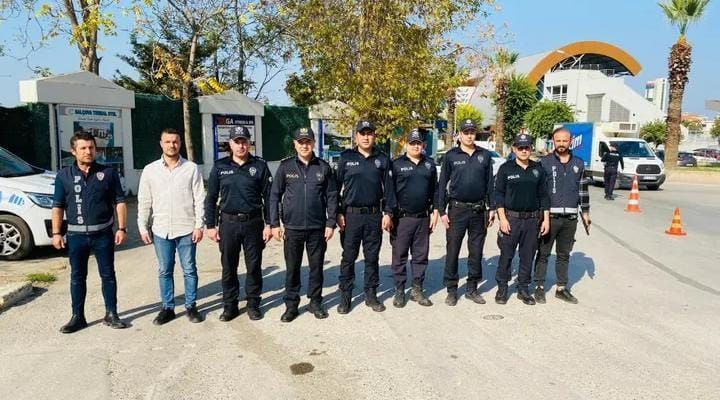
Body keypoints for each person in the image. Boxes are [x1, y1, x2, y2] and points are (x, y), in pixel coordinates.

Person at [51, 132, 128, 333]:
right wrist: (56, 233)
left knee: (108, 275)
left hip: (103, 234)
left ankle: (111, 314)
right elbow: (57, 206)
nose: (88, 151)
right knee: (77, 277)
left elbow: (119, 201)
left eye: (91, 147)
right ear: (73, 151)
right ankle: (78, 317)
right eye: (83, 148)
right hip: (76, 237)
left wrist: (121, 228)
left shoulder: (108, 173)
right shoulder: (64, 176)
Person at [137, 128, 206, 325]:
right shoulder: (150, 170)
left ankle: (191, 306)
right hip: (161, 230)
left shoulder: (191, 168)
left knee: (189, 269)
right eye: (167, 142)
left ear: (180, 143)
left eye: (175, 141)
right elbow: (144, 201)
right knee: (164, 270)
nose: (171, 145)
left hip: (187, 228)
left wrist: (199, 225)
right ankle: (167, 307)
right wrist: (143, 227)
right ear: (161, 144)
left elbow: (199, 198)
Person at [269, 127, 338, 322]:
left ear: (313, 143)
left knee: (316, 268)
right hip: (293, 228)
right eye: (301, 142)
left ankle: (315, 302)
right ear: (295, 144)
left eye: (308, 142)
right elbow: (274, 196)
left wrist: (331, 222)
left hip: (317, 228)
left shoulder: (323, 167)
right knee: (292, 269)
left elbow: (332, 196)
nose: (304, 145)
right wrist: (274, 223)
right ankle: (291, 305)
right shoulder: (286, 167)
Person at [204, 126, 273, 321]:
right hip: (228, 224)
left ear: (249, 143)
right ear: (230, 143)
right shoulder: (220, 166)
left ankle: (253, 304)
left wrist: (269, 224)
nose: (241, 145)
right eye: (237, 141)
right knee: (228, 267)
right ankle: (230, 306)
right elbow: (211, 198)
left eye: (244, 141)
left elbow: (269, 197)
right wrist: (210, 225)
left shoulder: (259, 166)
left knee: (254, 266)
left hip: (253, 223)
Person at [335, 120, 394, 314]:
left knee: (372, 258)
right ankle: (345, 297)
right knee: (348, 258)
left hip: (373, 216)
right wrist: (338, 213)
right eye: (362, 133)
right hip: (351, 216)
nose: (366, 137)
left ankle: (371, 295)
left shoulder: (382, 159)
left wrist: (388, 213)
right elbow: (335, 188)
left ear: (374, 136)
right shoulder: (346, 158)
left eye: (369, 133)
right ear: (356, 136)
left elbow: (389, 189)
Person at [436, 119, 494, 306]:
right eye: (466, 132)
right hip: (457, 210)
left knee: (476, 251)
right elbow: (442, 184)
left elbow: (490, 184)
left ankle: (472, 289)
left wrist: (492, 208)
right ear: (459, 134)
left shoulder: (484, 155)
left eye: (472, 132)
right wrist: (441, 210)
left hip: (478, 211)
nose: (469, 136)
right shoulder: (451, 156)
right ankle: (452, 289)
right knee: (453, 250)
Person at [533, 127, 591, 304]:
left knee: (564, 254)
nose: (561, 144)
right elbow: (538, 190)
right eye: (558, 140)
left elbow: (583, 190)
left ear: (570, 141)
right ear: (553, 141)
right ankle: (539, 286)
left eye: (565, 140)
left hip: (570, 218)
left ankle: (561, 288)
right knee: (543, 253)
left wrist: (586, 213)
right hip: (549, 217)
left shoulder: (579, 163)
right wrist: (539, 214)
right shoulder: (544, 162)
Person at [493, 134, 550, 305]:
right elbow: (498, 194)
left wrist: (546, 219)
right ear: (514, 149)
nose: (524, 150)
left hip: (532, 220)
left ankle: (523, 288)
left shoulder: (538, 169)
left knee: (527, 256)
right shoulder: (506, 169)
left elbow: (544, 195)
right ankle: (502, 287)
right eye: (520, 147)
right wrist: (502, 219)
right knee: (506, 255)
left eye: (527, 147)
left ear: (531, 148)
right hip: (511, 219)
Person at [388, 129, 438, 308]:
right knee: (399, 256)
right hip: (402, 219)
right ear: (406, 144)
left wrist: (436, 210)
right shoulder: (396, 165)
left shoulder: (429, 165)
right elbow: (390, 192)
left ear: (423, 145)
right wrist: (388, 213)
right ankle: (400, 290)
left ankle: (417, 289)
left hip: (422, 218)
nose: (416, 146)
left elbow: (435, 190)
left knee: (420, 256)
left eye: (419, 143)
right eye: (412, 143)